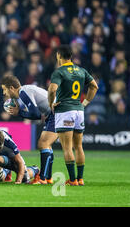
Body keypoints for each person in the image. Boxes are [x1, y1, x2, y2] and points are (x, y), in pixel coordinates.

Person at [48, 45, 99, 186]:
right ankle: (80, 178)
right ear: (70, 56)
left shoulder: (59, 72)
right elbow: (94, 86)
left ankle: (72, 180)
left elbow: (52, 90)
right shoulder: (81, 70)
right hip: (79, 110)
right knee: (78, 146)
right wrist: (86, 102)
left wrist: (51, 103)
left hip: (65, 111)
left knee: (67, 147)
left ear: (59, 56)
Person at [1, 75, 58, 184]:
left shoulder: (23, 92)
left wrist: (19, 113)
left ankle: (42, 178)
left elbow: (36, 114)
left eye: (4, 89)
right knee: (46, 145)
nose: (4, 93)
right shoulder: (22, 95)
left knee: (43, 144)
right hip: (52, 113)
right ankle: (48, 178)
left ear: (12, 88)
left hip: (56, 112)